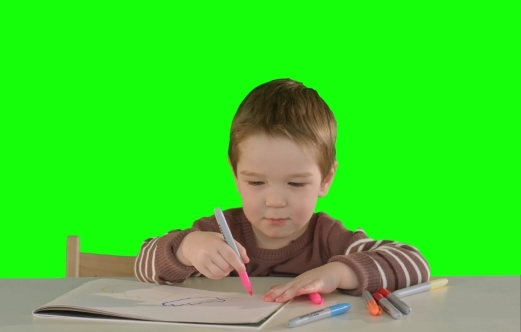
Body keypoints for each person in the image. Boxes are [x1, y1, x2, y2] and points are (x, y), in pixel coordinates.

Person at [134, 78, 430, 303]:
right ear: (236, 175)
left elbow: (415, 263)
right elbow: (141, 263)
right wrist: (186, 249)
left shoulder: (329, 239)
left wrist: (337, 273)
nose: (275, 201)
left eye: (296, 183)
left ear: (326, 179)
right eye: (256, 182)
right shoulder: (218, 234)